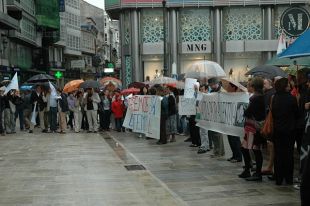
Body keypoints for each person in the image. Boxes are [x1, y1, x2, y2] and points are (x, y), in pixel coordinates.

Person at [271, 78, 298, 185]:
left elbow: (273, 113)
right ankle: (288, 179)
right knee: (288, 154)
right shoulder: (291, 98)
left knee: (278, 154)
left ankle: (278, 178)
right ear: (285, 86)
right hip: (290, 130)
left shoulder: (274, 98)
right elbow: (297, 114)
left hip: (277, 129)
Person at [239, 77, 266, 181]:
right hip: (253, 127)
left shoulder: (255, 98)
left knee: (255, 149)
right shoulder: (260, 96)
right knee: (248, 148)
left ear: (253, 87)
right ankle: (249, 170)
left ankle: (256, 173)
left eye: (249, 85)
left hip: (254, 128)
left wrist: (246, 110)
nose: (248, 87)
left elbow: (248, 112)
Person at [261, 78, 276, 175]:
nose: (263, 85)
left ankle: (271, 166)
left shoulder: (272, 93)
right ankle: (270, 166)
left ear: (270, 83)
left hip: (270, 122)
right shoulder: (266, 93)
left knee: (271, 145)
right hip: (267, 121)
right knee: (269, 144)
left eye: (265, 83)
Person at [225, 83, 243, 163]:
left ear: (233, 87)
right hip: (229, 119)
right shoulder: (229, 95)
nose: (227, 87)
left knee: (235, 138)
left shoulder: (238, 96)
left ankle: (238, 156)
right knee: (230, 138)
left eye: (229, 86)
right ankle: (234, 155)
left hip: (235, 120)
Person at [208, 78, 224, 158]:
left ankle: (219, 151)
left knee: (218, 134)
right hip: (212, 114)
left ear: (216, 83)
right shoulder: (211, 91)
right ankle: (216, 150)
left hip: (219, 115)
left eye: (211, 85)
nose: (211, 87)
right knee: (213, 134)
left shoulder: (222, 91)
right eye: (210, 85)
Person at [197, 84, 210, 154]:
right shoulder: (201, 96)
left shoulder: (209, 97)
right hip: (201, 116)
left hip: (206, 117)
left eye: (202, 90)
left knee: (204, 132)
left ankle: (204, 146)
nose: (201, 91)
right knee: (202, 132)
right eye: (200, 89)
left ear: (206, 90)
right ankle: (206, 146)